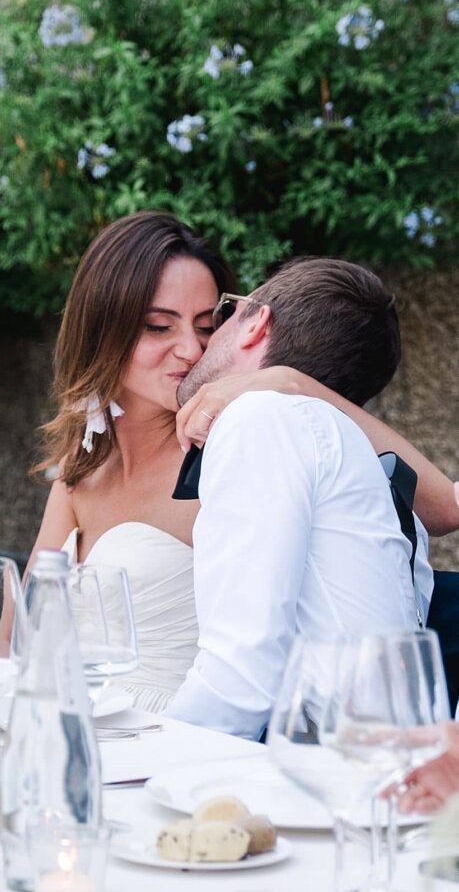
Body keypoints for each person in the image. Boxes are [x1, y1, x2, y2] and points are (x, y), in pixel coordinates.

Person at [32, 213, 459, 713]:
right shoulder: (81, 465)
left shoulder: (247, 444)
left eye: (208, 325)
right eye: (157, 326)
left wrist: (293, 383)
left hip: (180, 740)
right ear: (101, 327)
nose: (191, 349)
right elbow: (21, 636)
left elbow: (446, 507)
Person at [165, 258, 438, 737]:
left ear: (256, 323)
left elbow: (240, 681)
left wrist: (140, 767)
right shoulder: (346, 450)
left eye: (227, 312)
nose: (210, 335)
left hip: (324, 782)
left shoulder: (262, 419)